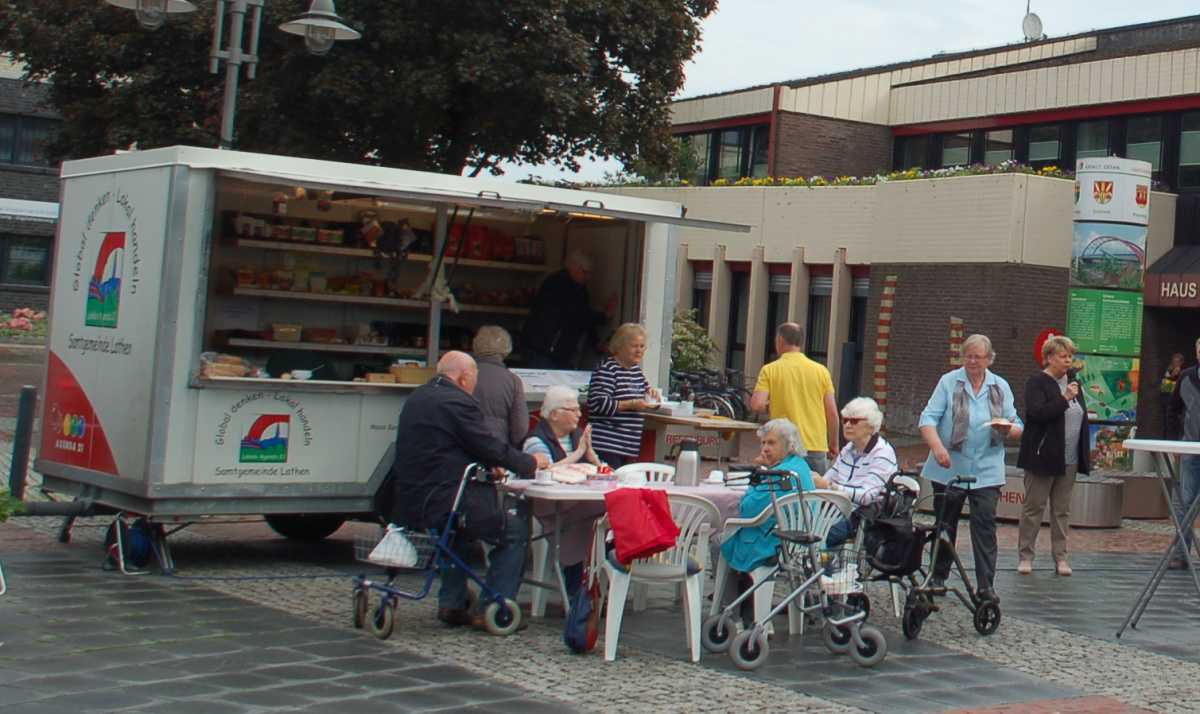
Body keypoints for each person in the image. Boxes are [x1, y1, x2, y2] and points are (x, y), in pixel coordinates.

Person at [389, 351, 550, 628]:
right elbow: (486, 443)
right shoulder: (457, 402)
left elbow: (446, 444)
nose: (474, 386)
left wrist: (487, 462)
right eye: (474, 379)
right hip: (446, 496)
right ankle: (494, 607)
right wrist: (529, 462)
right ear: (464, 378)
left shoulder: (419, 397)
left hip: (412, 496)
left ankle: (452, 602)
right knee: (514, 529)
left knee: (456, 533)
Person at [918, 334, 1023, 602]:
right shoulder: (949, 382)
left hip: (987, 468)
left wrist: (1009, 430)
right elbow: (928, 419)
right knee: (945, 524)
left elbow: (1016, 424)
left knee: (985, 524)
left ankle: (986, 585)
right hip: (950, 466)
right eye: (969, 356)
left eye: (979, 357)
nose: (973, 361)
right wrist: (938, 447)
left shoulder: (1000, 386)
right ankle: (938, 576)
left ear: (989, 359)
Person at [720, 419, 815, 617]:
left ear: (789, 445)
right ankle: (745, 609)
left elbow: (748, 509)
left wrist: (759, 476)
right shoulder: (800, 466)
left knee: (719, 542)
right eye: (763, 443)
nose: (764, 448)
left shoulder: (780, 474)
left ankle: (734, 614)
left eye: (771, 443)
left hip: (775, 542)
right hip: (798, 540)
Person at [1015, 336, 1090, 577]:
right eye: (1063, 356)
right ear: (1049, 358)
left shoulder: (1075, 383)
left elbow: (1080, 417)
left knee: (1061, 511)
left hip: (1069, 459)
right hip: (1042, 457)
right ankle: (1026, 556)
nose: (1068, 360)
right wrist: (1064, 398)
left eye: (1070, 356)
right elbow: (1037, 414)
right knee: (1034, 507)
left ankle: (1061, 558)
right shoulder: (1037, 382)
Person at [522, 385, 606, 599]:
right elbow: (544, 473)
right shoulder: (535, 441)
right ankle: (577, 592)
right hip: (549, 509)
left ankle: (594, 589)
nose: (579, 414)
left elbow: (601, 469)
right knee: (583, 524)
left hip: (579, 504)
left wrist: (591, 456)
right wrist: (577, 454)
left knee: (607, 517)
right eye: (573, 410)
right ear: (554, 415)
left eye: (579, 409)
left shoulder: (577, 437)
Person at [750, 322, 839, 473]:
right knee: (815, 493)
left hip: (784, 446)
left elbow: (757, 404)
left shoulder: (770, 370)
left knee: (783, 494)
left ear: (779, 340)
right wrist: (833, 444)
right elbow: (832, 413)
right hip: (815, 445)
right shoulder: (821, 371)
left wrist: (772, 404)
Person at [815, 397, 899, 549]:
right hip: (835, 509)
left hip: (860, 517)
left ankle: (821, 570)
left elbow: (867, 496)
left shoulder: (882, 453)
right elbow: (829, 476)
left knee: (817, 536)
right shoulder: (849, 448)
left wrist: (831, 487)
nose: (847, 425)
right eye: (845, 420)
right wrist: (816, 481)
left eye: (854, 421)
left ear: (871, 425)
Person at [521, 250, 615, 369]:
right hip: (544, 349)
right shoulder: (559, 285)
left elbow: (582, 317)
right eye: (585, 272)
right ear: (574, 268)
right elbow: (578, 315)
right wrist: (604, 316)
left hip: (554, 351)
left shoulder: (579, 288)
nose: (588, 277)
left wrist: (596, 342)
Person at [586, 323, 658, 468]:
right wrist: (631, 404)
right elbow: (598, 404)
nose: (639, 351)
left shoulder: (636, 371)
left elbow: (644, 395)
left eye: (642, 346)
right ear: (619, 346)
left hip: (628, 447)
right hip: (606, 445)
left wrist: (653, 396)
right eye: (634, 346)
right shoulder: (607, 369)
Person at [1167, 337, 1200, 569]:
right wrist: (1173, 444)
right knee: (1185, 501)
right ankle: (1181, 555)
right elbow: (1173, 409)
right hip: (1190, 449)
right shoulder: (1186, 377)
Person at [471, 325, 529, 447]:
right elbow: (520, 429)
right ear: (506, 349)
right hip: (497, 449)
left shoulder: (463, 375)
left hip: (463, 447)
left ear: (476, 346)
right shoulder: (513, 380)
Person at [1161, 352, 1185, 437]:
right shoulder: (1168, 370)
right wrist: (1171, 375)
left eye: (1178, 361)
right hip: (1166, 399)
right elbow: (1164, 386)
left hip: (1177, 402)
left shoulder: (1183, 373)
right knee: (1166, 422)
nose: (1175, 363)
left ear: (1181, 363)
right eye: (1174, 361)